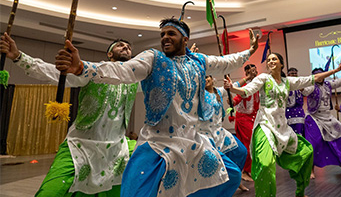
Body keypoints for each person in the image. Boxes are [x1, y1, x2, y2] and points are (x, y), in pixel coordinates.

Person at [54, 18, 259, 197]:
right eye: (162, 34)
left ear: (185, 39)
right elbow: (123, 70)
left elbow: (225, 62)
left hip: (192, 141)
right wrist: (82, 68)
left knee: (230, 176)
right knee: (136, 192)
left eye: (171, 33)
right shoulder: (153, 58)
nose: (165, 38)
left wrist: (250, 51)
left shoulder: (199, 61)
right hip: (157, 142)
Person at [0, 33, 138, 197]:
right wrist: (18, 57)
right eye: (120, 45)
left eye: (128, 47)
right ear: (109, 54)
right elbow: (55, 73)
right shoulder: (92, 71)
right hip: (80, 146)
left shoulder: (134, 79)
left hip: (116, 150)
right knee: (50, 192)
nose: (125, 48)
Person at [225, 52, 341, 197]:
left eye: (274, 59)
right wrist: (232, 88)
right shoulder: (263, 78)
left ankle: (300, 191)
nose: (271, 61)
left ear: (281, 63)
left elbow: (314, 78)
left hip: (283, 127)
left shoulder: (288, 82)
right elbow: (246, 91)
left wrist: (335, 71)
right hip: (265, 125)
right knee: (265, 164)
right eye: (269, 60)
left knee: (306, 153)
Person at [302, 61, 341, 176]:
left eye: (321, 74)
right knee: (314, 143)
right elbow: (305, 91)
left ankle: (339, 159)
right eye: (317, 75)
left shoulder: (328, 85)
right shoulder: (311, 86)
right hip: (313, 117)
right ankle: (311, 169)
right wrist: (300, 88)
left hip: (327, 117)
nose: (320, 77)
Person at [201, 75, 249, 192]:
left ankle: (237, 180)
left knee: (241, 151)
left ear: (213, 79)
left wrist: (247, 78)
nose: (205, 79)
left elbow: (235, 85)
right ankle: (226, 185)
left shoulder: (218, 91)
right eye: (203, 78)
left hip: (220, 131)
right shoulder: (200, 95)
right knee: (218, 162)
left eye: (207, 77)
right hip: (207, 133)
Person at [230, 63, 260, 182]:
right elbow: (237, 99)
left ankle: (250, 169)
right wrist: (232, 102)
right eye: (252, 71)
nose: (255, 72)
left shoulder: (258, 85)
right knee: (248, 145)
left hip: (255, 118)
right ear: (247, 73)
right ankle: (245, 171)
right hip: (243, 119)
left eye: (255, 70)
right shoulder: (245, 86)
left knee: (255, 144)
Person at [286, 67, 306, 136]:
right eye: (292, 74)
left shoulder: (300, 85)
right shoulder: (285, 86)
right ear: (288, 75)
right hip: (288, 114)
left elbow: (306, 92)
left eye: (295, 73)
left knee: (301, 133)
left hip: (300, 113)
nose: (294, 75)